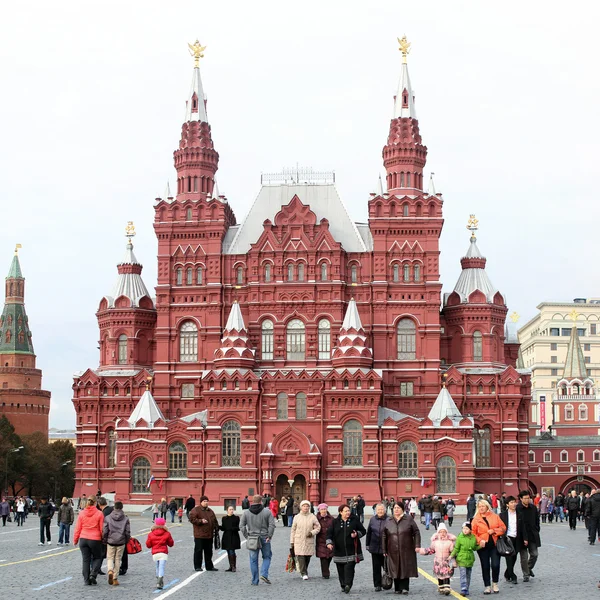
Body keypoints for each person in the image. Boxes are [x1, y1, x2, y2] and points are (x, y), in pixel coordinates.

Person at [381, 501, 421, 595]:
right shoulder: (389, 520)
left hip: (406, 548)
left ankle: (405, 588)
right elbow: (384, 535)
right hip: (392, 549)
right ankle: (397, 588)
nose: (396, 509)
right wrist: (384, 549)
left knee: (404, 567)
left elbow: (416, 532)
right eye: (395, 508)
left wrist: (417, 545)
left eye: (398, 508)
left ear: (402, 509)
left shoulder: (408, 519)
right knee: (395, 568)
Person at [326, 503, 366, 594]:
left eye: (349, 511)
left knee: (349, 568)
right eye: (346, 511)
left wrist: (356, 534)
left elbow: (363, 531)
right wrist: (329, 543)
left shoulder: (354, 520)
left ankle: (348, 584)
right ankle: (343, 584)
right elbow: (329, 534)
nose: (348, 513)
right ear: (340, 512)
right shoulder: (334, 522)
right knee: (340, 569)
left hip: (352, 549)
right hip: (339, 550)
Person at [471, 498, 506, 594]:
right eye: (479, 506)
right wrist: (479, 540)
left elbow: (503, 528)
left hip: (494, 544)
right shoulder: (476, 519)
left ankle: (495, 583)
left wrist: (494, 531)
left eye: (483, 506)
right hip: (482, 546)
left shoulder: (495, 516)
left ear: (487, 507)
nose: (481, 508)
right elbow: (473, 533)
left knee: (495, 565)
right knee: (485, 566)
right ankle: (487, 586)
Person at [240, 493, 276, 586]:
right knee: (267, 557)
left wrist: (247, 536)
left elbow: (241, 526)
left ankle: (255, 581)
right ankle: (264, 574)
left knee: (253, 560)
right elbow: (272, 525)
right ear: (261, 501)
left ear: (252, 501)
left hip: (252, 538)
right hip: (264, 537)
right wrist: (269, 535)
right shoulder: (267, 512)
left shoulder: (246, 512)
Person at [74, 495, 104, 585]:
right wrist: (103, 539)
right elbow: (102, 528)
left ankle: (86, 580)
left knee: (85, 560)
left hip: (83, 539)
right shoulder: (99, 513)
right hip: (95, 539)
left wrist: (75, 539)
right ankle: (93, 574)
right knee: (98, 557)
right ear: (96, 503)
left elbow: (78, 528)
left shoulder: (82, 513)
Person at [420, 522, 456, 595]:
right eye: (440, 532)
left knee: (447, 574)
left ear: (447, 533)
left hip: (447, 562)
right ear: (438, 533)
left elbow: (453, 551)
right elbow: (431, 550)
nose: (442, 533)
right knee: (439, 575)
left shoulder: (450, 542)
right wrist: (423, 551)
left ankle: (447, 588)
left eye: (444, 532)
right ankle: (441, 587)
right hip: (438, 562)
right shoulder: (435, 542)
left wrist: (454, 559)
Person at [102, 501, 130, 586]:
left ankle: (110, 570)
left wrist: (104, 539)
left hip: (110, 541)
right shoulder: (125, 518)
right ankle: (115, 578)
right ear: (122, 508)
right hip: (121, 541)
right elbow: (127, 532)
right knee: (118, 559)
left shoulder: (108, 517)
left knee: (110, 557)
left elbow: (105, 530)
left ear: (114, 507)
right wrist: (127, 540)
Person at [290, 499, 320, 579]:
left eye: (307, 506)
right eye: (304, 506)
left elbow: (318, 527)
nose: (306, 508)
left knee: (307, 556)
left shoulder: (313, 517)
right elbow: (293, 530)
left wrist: (312, 532)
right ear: (301, 507)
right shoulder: (296, 517)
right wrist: (292, 541)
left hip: (308, 539)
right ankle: (304, 573)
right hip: (298, 540)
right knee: (301, 556)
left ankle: (303, 570)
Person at [189, 495, 219, 572]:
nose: (206, 503)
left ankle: (209, 566)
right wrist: (200, 521)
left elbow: (214, 521)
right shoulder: (196, 510)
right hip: (199, 535)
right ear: (201, 502)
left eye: (207, 501)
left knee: (209, 551)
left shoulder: (210, 511)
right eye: (204, 501)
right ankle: (197, 566)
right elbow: (192, 519)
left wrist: (217, 527)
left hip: (209, 535)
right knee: (198, 551)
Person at [516, 490, 541, 582]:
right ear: (521, 499)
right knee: (524, 557)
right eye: (525, 498)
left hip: (532, 534)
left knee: (534, 554)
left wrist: (537, 528)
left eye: (528, 498)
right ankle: (526, 574)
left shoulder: (533, 507)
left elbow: (537, 519)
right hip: (521, 535)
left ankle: (529, 568)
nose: (527, 500)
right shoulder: (517, 508)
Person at [450, 522, 478, 596]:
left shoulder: (473, 537)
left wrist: (481, 546)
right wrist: (451, 555)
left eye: (467, 529)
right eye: (463, 528)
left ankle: (467, 588)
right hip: (461, 558)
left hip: (470, 559)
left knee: (468, 575)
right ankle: (463, 588)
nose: (465, 530)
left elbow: (474, 548)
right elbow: (456, 548)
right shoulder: (460, 537)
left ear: (470, 530)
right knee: (463, 574)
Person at [146, 517, 174, 590]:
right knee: (161, 566)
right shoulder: (167, 533)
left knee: (157, 566)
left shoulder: (151, 534)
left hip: (155, 553)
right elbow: (171, 544)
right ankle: (160, 581)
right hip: (163, 552)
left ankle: (158, 579)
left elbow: (148, 545)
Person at [366, 503, 389, 591]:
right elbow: (369, 532)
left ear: (385, 510)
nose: (380, 511)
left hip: (386, 547)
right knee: (376, 567)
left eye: (381, 509)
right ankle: (377, 585)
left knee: (386, 566)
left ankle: (387, 582)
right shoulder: (372, 520)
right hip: (374, 546)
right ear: (375, 511)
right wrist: (367, 544)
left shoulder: (389, 519)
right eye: (378, 510)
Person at [499, 495, 521, 584]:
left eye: (514, 502)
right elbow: (500, 527)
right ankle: (512, 575)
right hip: (507, 538)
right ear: (507, 504)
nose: (514, 504)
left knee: (514, 557)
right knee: (509, 557)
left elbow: (522, 527)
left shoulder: (519, 513)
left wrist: (525, 538)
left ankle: (507, 572)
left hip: (517, 537)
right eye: (511, 502)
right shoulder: (502, 515)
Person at [315, 503, 334, 579]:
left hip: (330, 540)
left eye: (325, 509)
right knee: (323, 557)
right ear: (319, 510)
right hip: (320, 540)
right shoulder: (315, 518)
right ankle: (325, 573)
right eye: (322, 509)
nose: (323, 511)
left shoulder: (331, 518)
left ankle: (326, 570)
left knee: (329, 556)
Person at [220, 504, 241, 572]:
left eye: (232, 509)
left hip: (234, 536)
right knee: (228, 551)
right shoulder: (224, 518)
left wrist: (231, 528)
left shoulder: (236, 518)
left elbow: (238, 528)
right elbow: (223, 528)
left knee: (232, 550)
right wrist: (218, 527)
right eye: (230, 509)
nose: (231, 511)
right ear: (227, 511)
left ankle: (233, 566)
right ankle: (231, 566)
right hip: (226, 536)